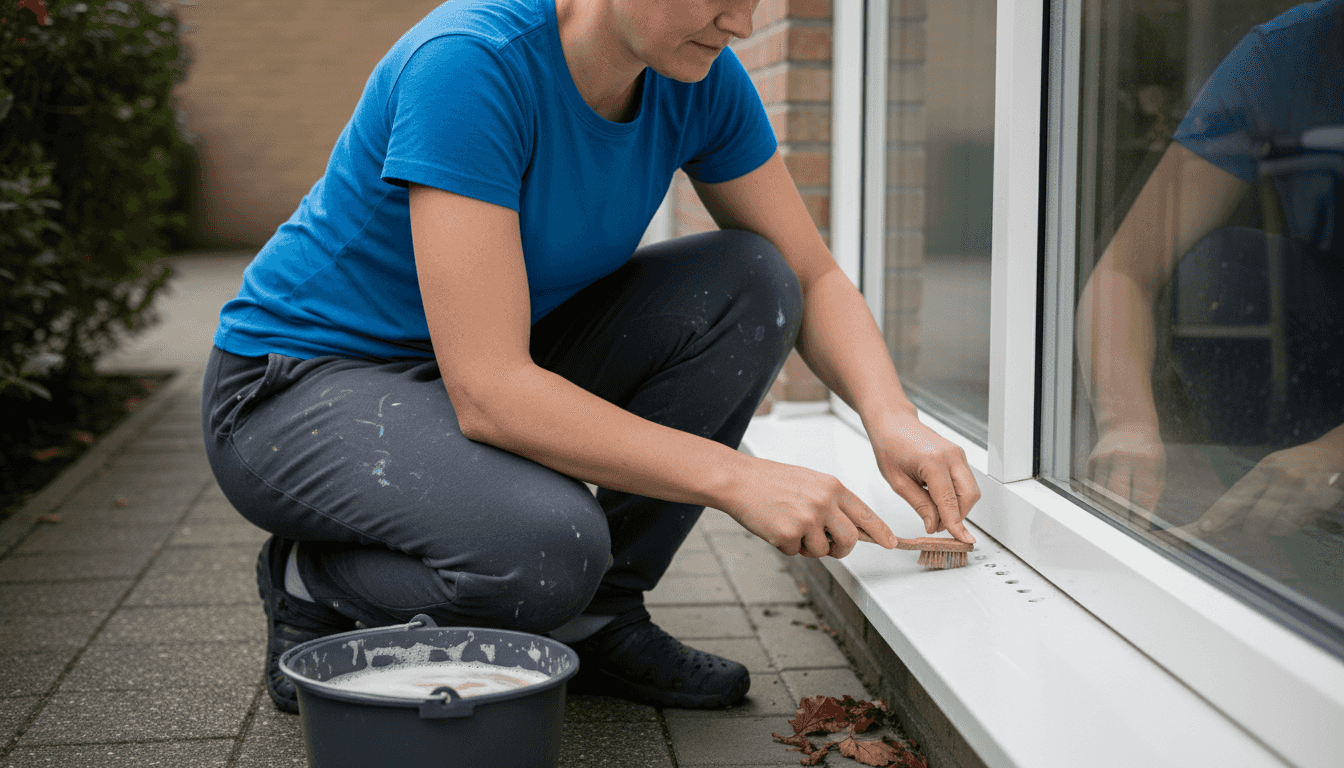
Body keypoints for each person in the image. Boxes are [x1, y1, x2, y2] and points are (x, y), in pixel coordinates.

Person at [203, 0, 980, 714]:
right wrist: (740, 478)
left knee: (751, 280)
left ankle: (596, 619)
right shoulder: (469, 64)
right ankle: (314, 582)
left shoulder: (696, 75)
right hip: (294, 391)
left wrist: (892, 416)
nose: (739, 21)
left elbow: (811, 274)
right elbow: (490, 391)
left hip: (475, 362)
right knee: (546, 549)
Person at [1077, 1, 1342, 604]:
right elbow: (1124, 273)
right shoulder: (1288, 53)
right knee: (1223, 273)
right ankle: (1263, 527)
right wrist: (1127, 425)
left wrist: (1334, 456)